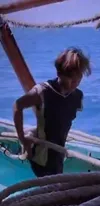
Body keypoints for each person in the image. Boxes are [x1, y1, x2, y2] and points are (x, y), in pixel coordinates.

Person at [13, 47, 91, 177]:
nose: (75, 83)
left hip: (58, 155)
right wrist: (22, 138)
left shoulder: (77, 96)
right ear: (60, 73)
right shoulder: (43, 92)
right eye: (71, 78)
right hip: (41, 158)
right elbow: (17, 106)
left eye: (79, 78)